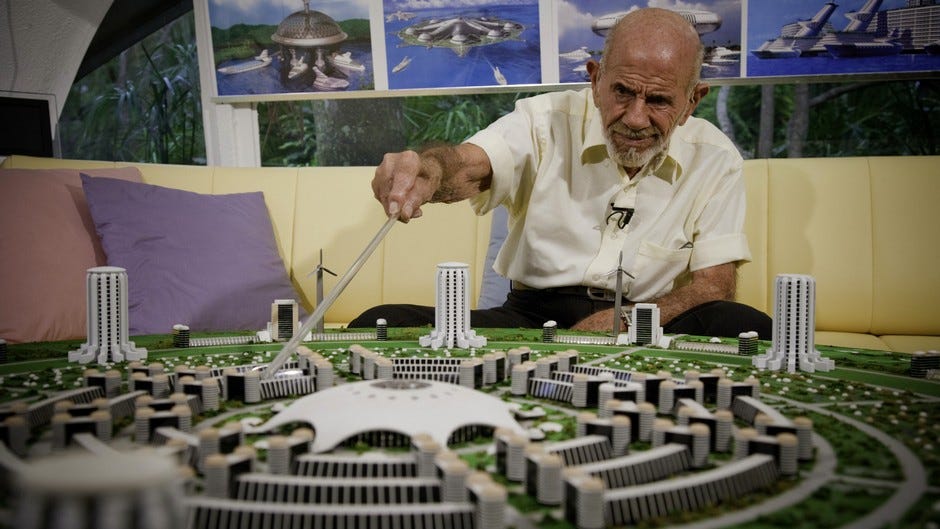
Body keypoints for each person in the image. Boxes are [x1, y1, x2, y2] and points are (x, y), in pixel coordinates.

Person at [349, 8, 772, 339]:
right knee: (382, 321)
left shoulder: (715, 157)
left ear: (692, 101)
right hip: (532, 319)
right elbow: (469, 167)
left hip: (651, 322)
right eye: (622, 91)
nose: (635, 118)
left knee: (745, 325)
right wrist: (428, 171)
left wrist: (625, 321)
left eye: (659, 100)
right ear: (596, 80)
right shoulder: (544, 120)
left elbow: (713, 287)